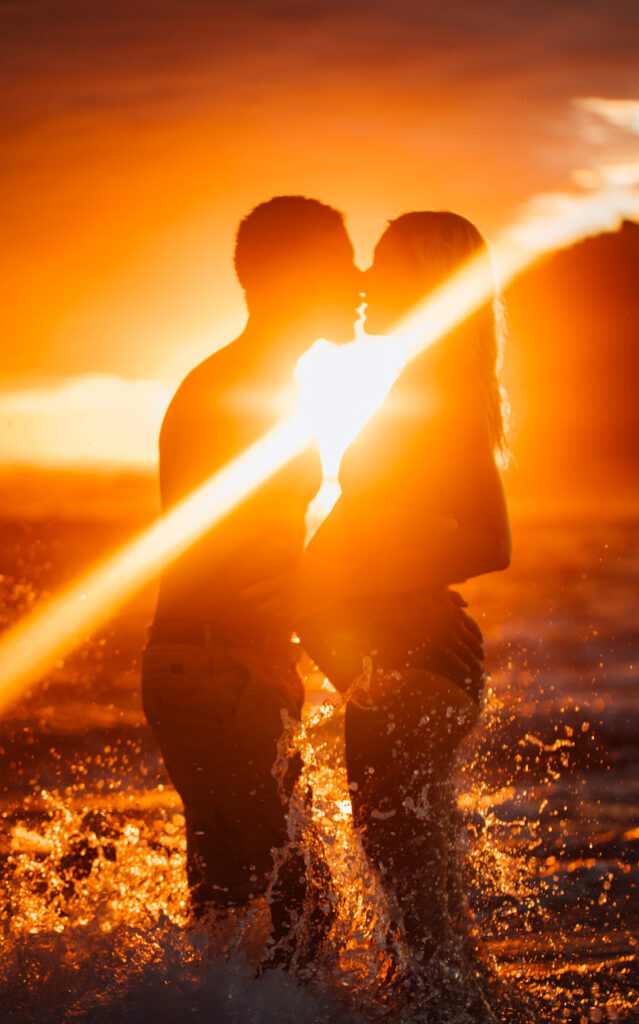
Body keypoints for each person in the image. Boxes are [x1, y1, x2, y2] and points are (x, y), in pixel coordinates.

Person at [261, 211, 511, 978]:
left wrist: (331, 580)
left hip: (413, 665)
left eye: (384, 262)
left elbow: (487, 540)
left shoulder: (444, 389)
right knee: (426, 915)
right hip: (403, 664)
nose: (364, 280)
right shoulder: (425, 380)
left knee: (419, 918)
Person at [140, 196, 361, 955]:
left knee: (230, 908)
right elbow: (250, 558)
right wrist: (340, 651)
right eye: (343, 262)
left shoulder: (247, 381)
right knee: (303, 906)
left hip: (203, 665)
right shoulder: (246, 393)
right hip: (220, 668)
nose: (360, 279)